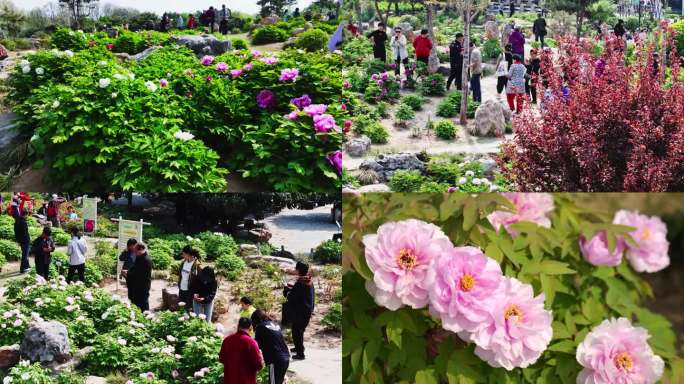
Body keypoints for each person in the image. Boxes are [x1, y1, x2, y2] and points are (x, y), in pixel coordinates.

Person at [283, 262, 315, 360]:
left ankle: (300, 354)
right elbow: (300, 294)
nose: (295, 270)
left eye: (296, 269)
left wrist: (286, 290)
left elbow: (291, 297)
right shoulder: (308, 280)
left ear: (298, 270)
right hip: (306, 310)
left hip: (300, 312)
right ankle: (298, 347)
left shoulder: (301, 283)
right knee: (299, 331)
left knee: (297, 332)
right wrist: (291, 288)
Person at [219, 317, 264, 384]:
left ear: (238, 326)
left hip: (230, 380)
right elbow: (258, 365)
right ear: (250, 328)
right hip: (246, 381)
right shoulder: (252, 342)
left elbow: (221, 359)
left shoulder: (227, 340)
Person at [252, 310, 290, 384]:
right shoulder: (275, 324)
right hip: (285, 357)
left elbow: (256, 346)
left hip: (274, 360)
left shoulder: (260, 327)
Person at [127, 243, 152, 311]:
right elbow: (134, 269)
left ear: (140, 250)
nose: (134, 253)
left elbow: (139, 274)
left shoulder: (146, 260)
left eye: (135, 251)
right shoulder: (140, 257)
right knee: (136, 303)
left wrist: (128, 273)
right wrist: (128, 272)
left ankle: (145, 318)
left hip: (142, 287)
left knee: (143, 304)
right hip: (136, 286)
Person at [178, 246, 201, 311]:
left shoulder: (197, 265)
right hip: (182, 288)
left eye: (183, 254)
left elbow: (199, 280)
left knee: (189, 309)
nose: (182, 255)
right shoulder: (183, 262)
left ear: (188, 254)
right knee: (181, 308)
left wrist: (196, 292)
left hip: (190, 290)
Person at [14, 209, 30, 273]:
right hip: (25, 240)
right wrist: (28, 239)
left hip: (20, 240)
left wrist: (18, 240)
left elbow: (16, 231)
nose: (27, 216)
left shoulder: (17, 220)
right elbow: (25, 233)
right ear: (25, 215)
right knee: (25, 254)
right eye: (27, 215)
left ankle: (27, 265)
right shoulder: (23, 222)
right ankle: (22, 269)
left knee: (25, 253)